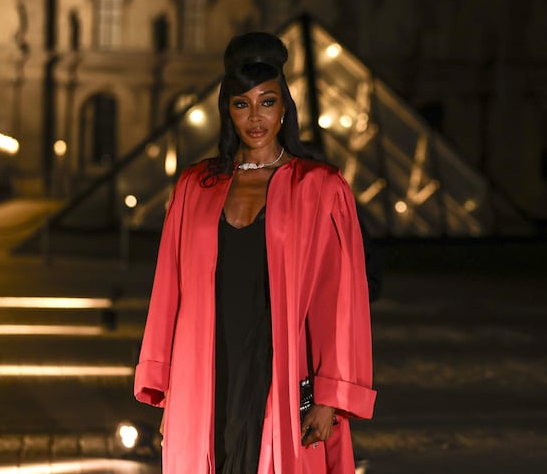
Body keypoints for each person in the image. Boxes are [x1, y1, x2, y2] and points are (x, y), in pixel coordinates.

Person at [134, 31, 376, 474]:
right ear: (227, 111)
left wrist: (330, 395)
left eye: (267, 101)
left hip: (280, 364)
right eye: (241, 103)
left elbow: (338, 300)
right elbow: (169, 291)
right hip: (207, 363)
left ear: (285, 107)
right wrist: (170, 390)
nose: (255, 116)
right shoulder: (195, 187)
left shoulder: (318, 187)